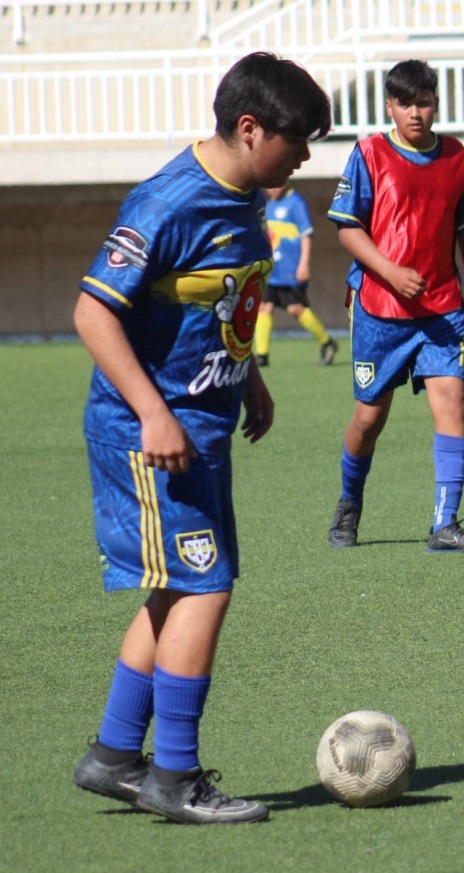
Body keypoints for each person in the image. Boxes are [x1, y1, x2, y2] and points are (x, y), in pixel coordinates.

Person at [71, 52, 331, 823]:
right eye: (296, 138)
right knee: (204, 586)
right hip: (148, 435)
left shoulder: (247, 197)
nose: (305, 154)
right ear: (250, 129)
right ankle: (174, 777)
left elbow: (227, 301)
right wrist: (154, 413)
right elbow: (93, 311)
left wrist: (247, 377)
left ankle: (114, 756)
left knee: (179, 587)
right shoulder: (169, 200)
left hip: (202, 431)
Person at [325, 59, 464, 553]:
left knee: (453, 400)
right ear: (389, 106)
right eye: (405, 104)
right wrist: (390, 271)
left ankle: (445, 523)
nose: (416, 113)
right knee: (369, 420)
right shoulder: (369, 153)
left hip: (442, 309)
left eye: (424, 102)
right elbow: (347, 227)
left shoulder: (458, 158)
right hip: (379, 311)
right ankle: (349, 501)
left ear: (436, 104)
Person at [254, 183, 338, 367]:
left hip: (290, 270)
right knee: (264, 307)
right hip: (272, 269)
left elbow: (306, 234)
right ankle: (262, 354)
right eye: (270, 186)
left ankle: (327, 342)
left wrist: (303, 264)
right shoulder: (268, 205)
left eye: (277, 185)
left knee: (295, 308)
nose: (273, 188)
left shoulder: (296, 202)